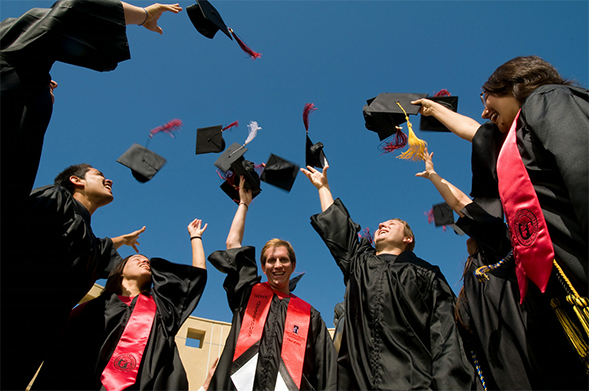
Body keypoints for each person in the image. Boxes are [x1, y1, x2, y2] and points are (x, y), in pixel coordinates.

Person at [301, 164, 473, 390]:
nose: (382, 224)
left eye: (392, 224)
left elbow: (446, 338)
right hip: (356, 382)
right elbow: (338, 227)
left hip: (413, 383)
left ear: (408, 239)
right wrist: (323, 187)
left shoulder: (427, 274)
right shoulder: (359, 263)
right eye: (382, 223)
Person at [1, 163, 145, 390]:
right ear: (76, 181)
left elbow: (96, 247)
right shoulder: (55, 197)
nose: (110, 181)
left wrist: (123, 240)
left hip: (40, 335)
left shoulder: (90, 246)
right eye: (100, 175)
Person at [31, 218, 209, 390]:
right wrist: (123, 240)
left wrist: (195, 237)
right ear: (120, 271)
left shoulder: (162, 306)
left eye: (147, 261)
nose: (145, 261)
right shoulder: (91, 309)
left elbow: (195, 279)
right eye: (136, 259)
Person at [417, 149, 538, 390]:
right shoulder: (473, 277)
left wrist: (434, 176)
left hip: (526, 353)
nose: (464, 233)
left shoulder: (496, 248)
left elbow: (462, 204)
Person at [206, 176, 337, 391]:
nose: (277, 265)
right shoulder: (248, 294)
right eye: (271, 261)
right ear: (263, 267)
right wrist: (244, 204)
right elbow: (233, 244)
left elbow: (327, 373)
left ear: (293, 266)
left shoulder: (309, 316)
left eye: (283, 260)